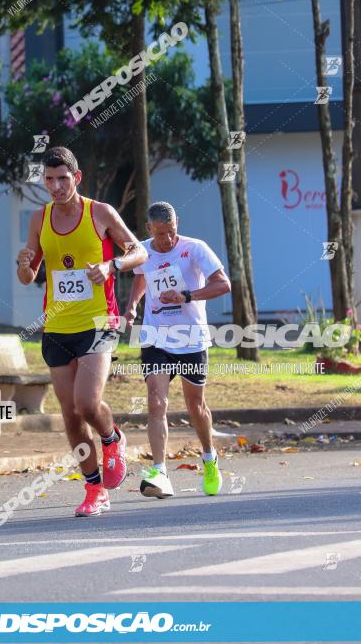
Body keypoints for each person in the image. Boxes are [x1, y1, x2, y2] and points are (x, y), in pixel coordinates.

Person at [17, 146, 148, 517]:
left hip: (98, 322)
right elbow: (29, 275)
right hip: (56, 326)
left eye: (63, 178)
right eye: (49, 180)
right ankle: (94, 489)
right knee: (71, 416)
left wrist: (112, 266)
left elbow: (140, 252)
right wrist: (24, 265)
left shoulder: (100, 212)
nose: (56, 186)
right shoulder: (39, 219)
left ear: (77, 178)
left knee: (87, 403)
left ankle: (112, 438)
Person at [124, 201, 231, 499]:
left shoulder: (195, 248)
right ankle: (160, 471)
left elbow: (223, 284)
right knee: (156, 403)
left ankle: (209, 459)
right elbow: (142, 277)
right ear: (148, 229)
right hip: (156, 337)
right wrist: (132, 306)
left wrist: (187, 295)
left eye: (171, 232)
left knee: (195, 406)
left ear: (176, 224)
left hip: (190, 338)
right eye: (160, 234)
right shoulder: (141, 250)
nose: (167, 240)